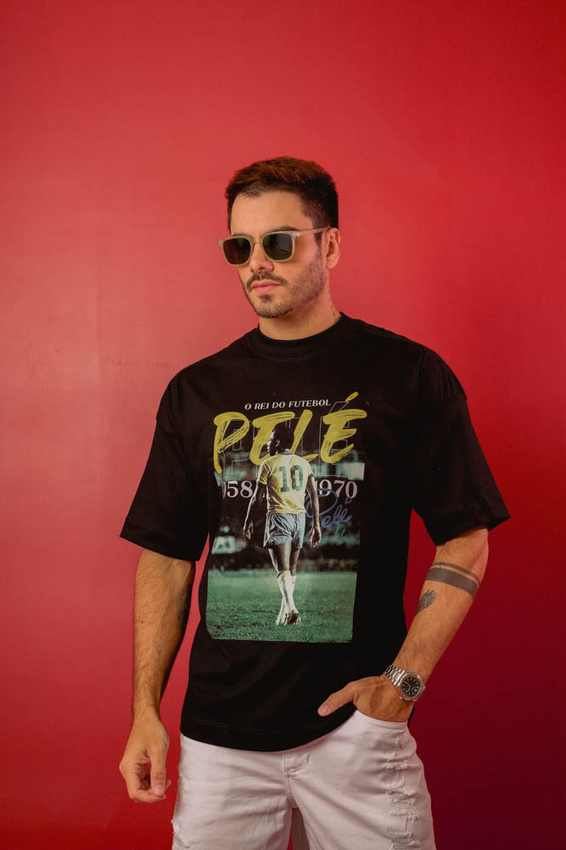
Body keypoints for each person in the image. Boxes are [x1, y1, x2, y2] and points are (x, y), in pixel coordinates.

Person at [119, 156, 510, 850]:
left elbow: (466, 536)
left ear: (329, 245)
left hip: (359, 734)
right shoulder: (197, 392)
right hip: (221, 739)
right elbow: (168, 557)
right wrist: (144, 710)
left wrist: (402, 685)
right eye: (239, 246)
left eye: (279, 241)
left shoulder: (408, 375)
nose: (256, 263)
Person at [243, 421, 322, 626]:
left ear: (278, 442)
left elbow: (257, 497)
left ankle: (293, 609)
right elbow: (314, 495)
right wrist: (317, 525)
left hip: (279, 516)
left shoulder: (268, 464)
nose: (267, 444)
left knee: (281, 569)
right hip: (300, 518)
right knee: (290, 571)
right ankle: (283, 616)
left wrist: (248, 520)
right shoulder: (304, 464)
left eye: (270, 440)